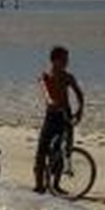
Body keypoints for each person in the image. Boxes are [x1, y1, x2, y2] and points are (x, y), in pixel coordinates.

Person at [33, 46, 84, 193]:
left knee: (63, 150)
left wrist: (80, 110)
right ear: (54, 60)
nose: (66, 62)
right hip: (51, 116)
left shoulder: (68, 77)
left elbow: (80, 94)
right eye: (63, 59)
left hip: (65, 115)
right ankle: (39, 185)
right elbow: (45, 92)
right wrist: (50, 101)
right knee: (42, 150)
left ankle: (56, 184)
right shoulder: (45, 76)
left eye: (67, 59)